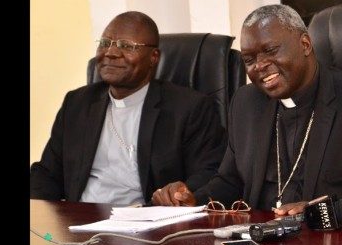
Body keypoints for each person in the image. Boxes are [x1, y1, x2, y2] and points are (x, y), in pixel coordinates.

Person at [153, 4, 342, 215]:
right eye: (249, 59)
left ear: (305, 45)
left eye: (270, 51)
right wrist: (192, 199)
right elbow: (230, 181)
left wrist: (326, 212)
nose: (259, 66)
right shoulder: (246, 104)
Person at [30, 11, 226, 205]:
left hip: (145, 223)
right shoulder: (77, 103)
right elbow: (47, 174)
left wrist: (179, 194)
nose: (111, 53)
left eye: (126, 46)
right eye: (105, 43)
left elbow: (209, 172)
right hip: (80, 220)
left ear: (153, 57)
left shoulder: (188, 107)